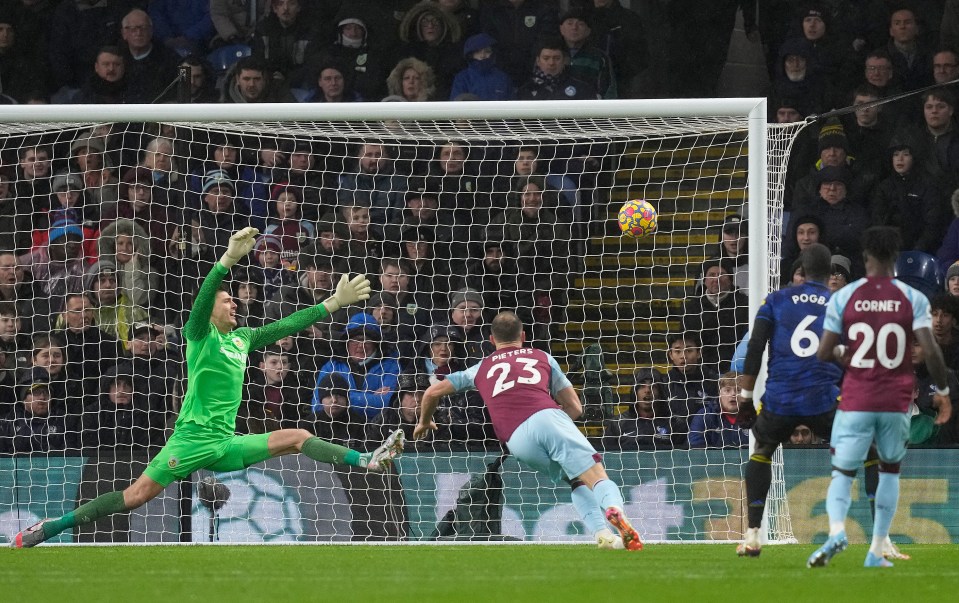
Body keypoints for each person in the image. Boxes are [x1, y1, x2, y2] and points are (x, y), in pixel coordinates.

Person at [9, 227, 404, 549]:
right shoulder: (199, 336)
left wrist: (333, 302)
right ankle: (52, 527)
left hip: (225, 442)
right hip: (191, 440)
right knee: (133, 498)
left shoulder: (243, 338)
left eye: (233, 299)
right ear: (212, 308)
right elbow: (201, 301)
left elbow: (286, 326)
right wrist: (227, 261)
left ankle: (367, 460)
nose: (233, 304)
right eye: (227, 299)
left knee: (299, 436)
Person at [415, 311, 643, 551]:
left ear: (491, 340)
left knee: (576, 479)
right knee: (596, 476)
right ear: (522, 336)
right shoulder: (541, 357)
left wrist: (424, 422)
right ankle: (614, 510)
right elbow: (575, 407)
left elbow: (431, 393)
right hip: (547, 417)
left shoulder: (480, 368)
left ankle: (602, 535)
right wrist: (554, 430)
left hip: (516, 440)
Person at [808, 226, 952, 568]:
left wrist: (849, 352)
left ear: (865, 257)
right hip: (895, 401)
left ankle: (836, 532)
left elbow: (824, 351)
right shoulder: (912, 298)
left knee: (843, 473)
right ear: (895, 258)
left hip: (857, 398)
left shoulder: (844, 296)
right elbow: (930, 351)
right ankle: (875, 550)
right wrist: (943, 393)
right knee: (888, 472)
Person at [735, 244, 844, 557]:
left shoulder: (777, 299)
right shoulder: (838, 303)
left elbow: (755, 347)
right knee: (866, 453)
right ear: (831, 274)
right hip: (824, 399)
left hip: (780, 399)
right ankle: (875, 538)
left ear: (802, 271)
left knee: (762, 451)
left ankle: (754, 534)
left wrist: (745, 398)